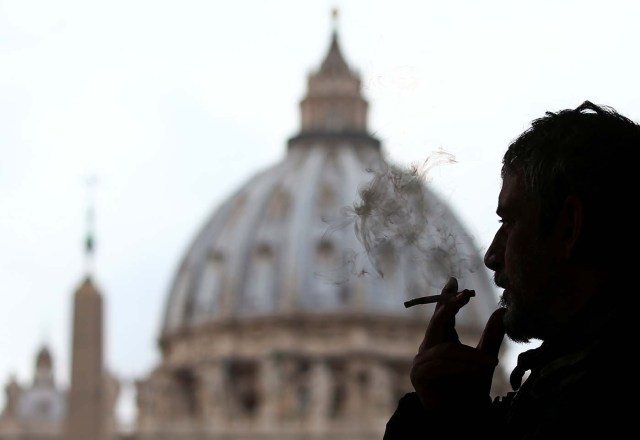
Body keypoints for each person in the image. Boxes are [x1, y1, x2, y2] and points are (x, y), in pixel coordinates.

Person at [383, 101, 639, 439]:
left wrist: (440, 423)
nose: (491, 256)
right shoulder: (557, 386)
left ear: (568, 228)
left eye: (509, 221)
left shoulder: (585, 405)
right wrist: (455, 417)